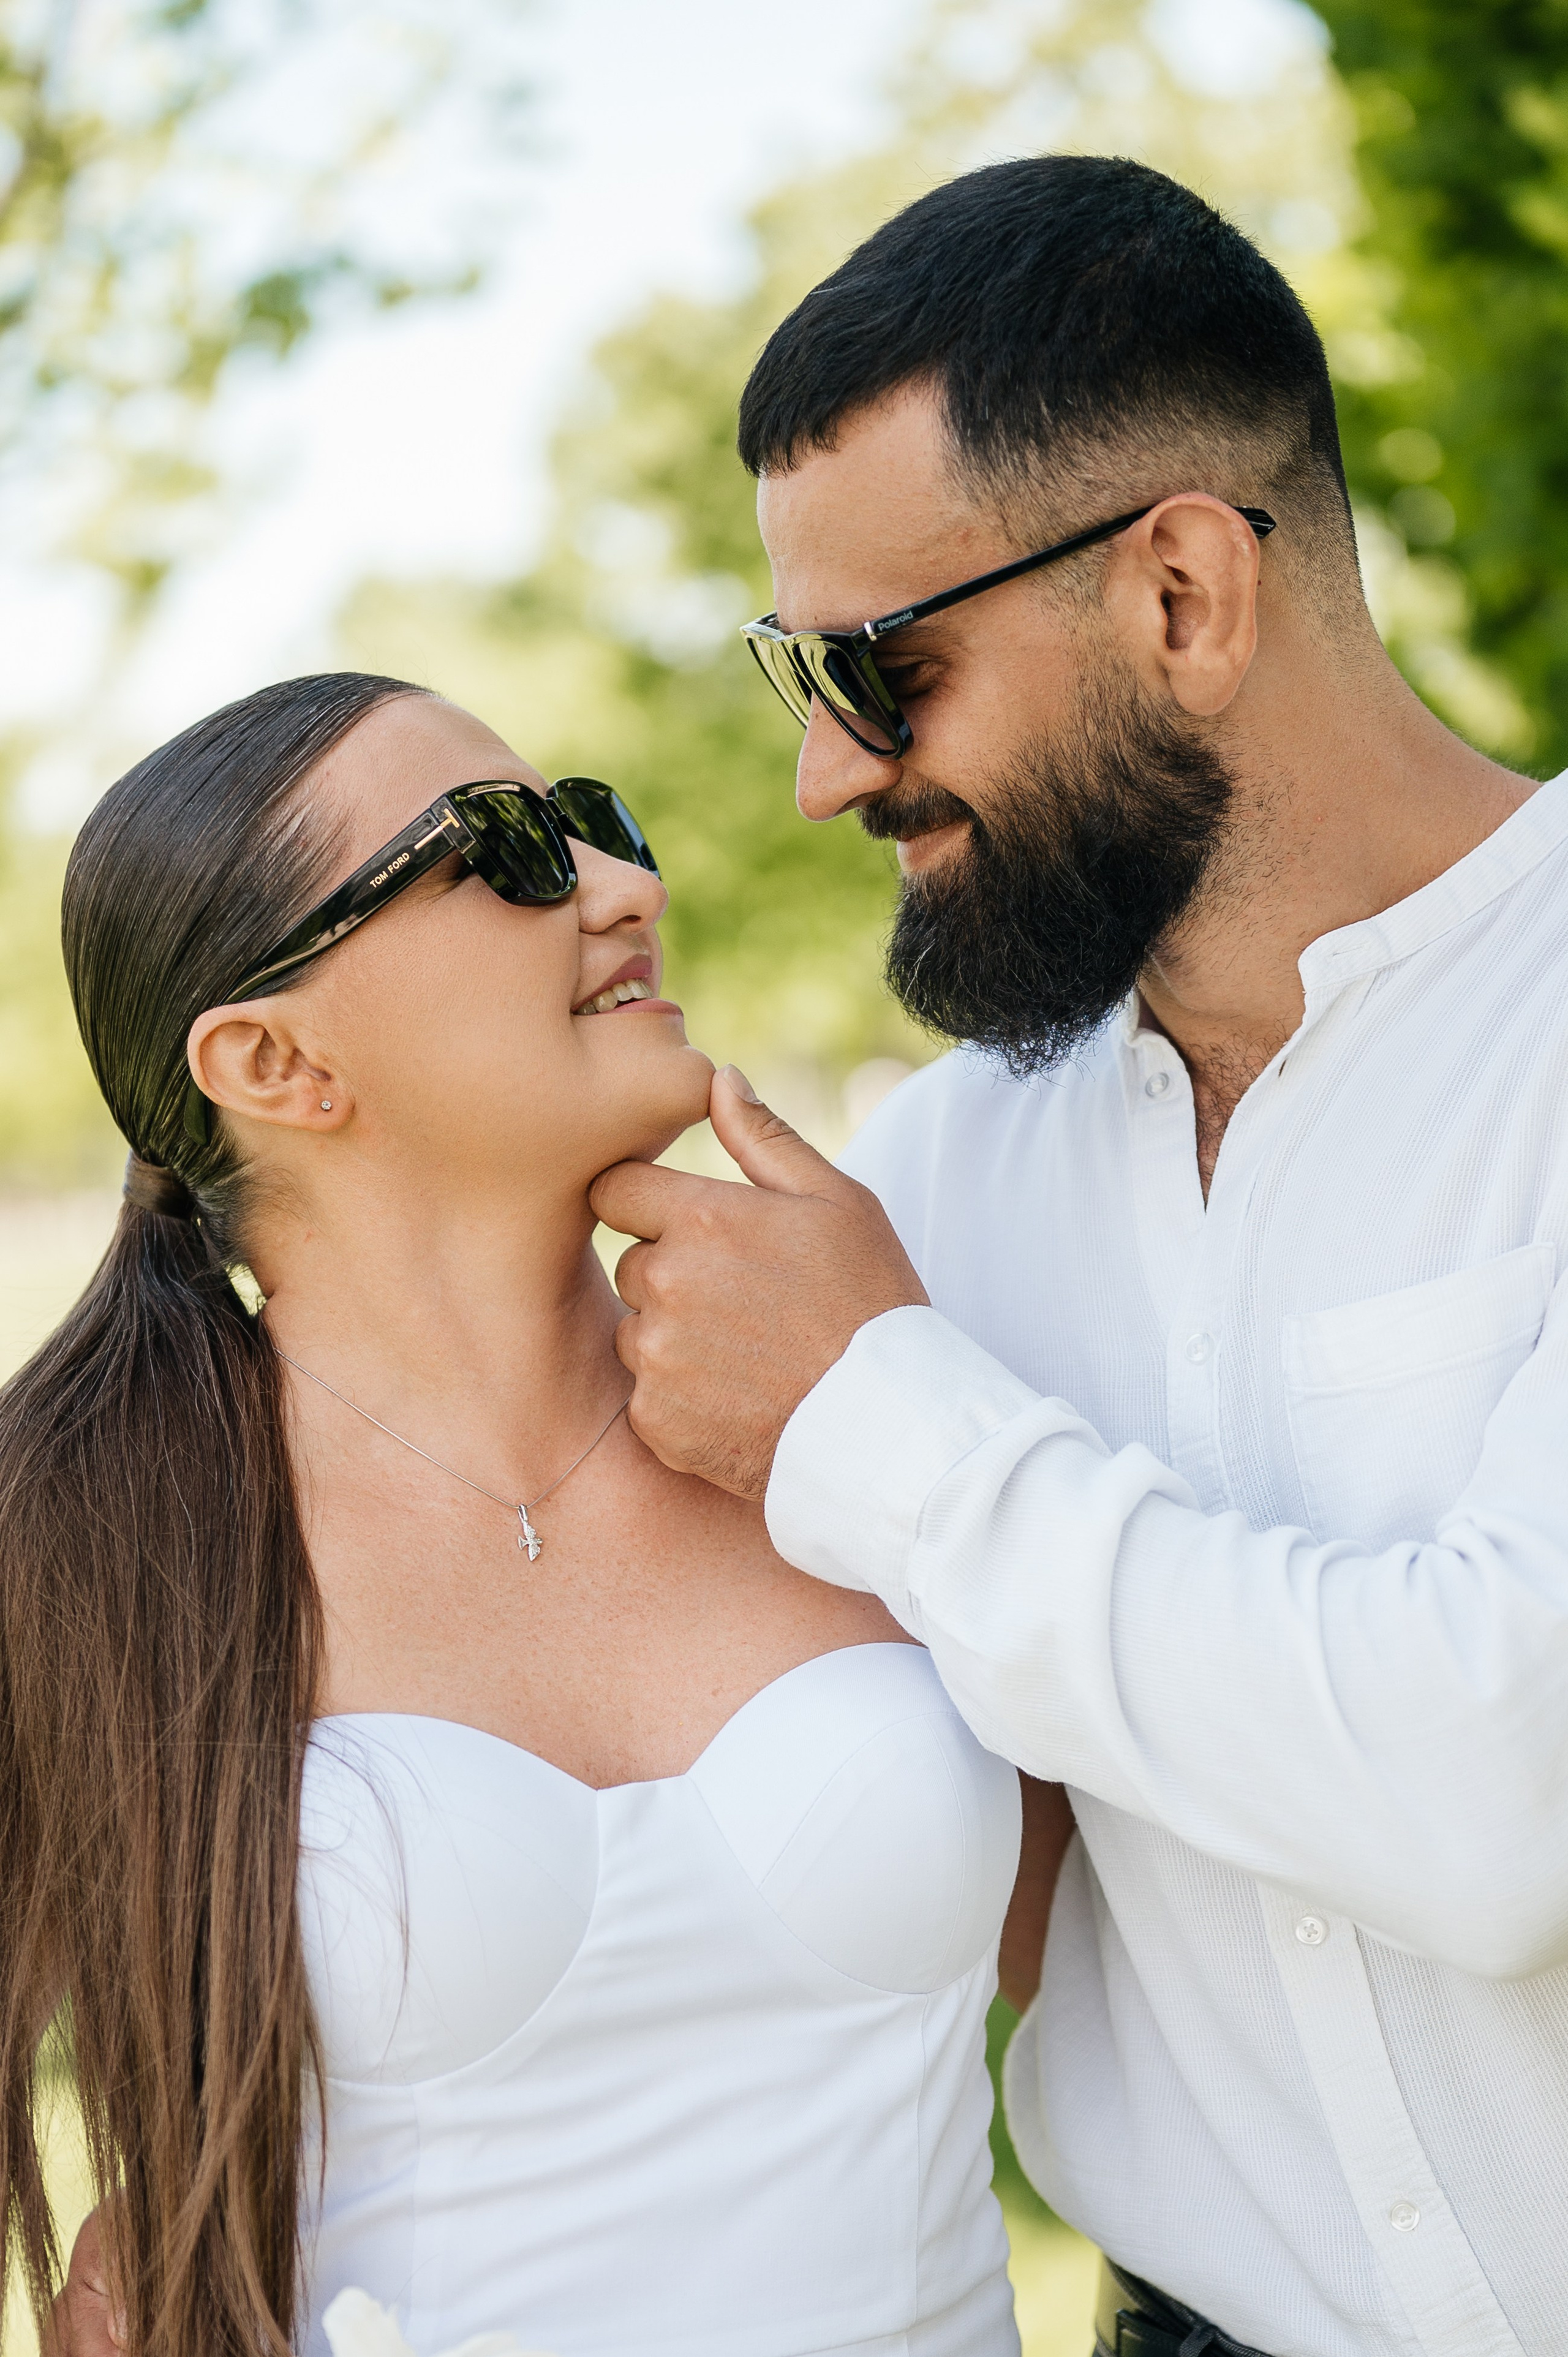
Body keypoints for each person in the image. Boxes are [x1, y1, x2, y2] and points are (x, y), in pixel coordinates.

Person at [589, 157, 1568, 2357]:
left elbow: (1513, 1798)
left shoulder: (876, 1337)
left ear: (1185, 595)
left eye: (884, 669)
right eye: (799, 672)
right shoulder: (920, 1199)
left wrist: (884, 1424)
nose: (829, 777)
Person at [8, 673, 1056, 2357]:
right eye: (501, 852)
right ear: (274, 1060)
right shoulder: (95, 1530)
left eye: (596, 826)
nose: (627, 889)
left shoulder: (863, 1403)